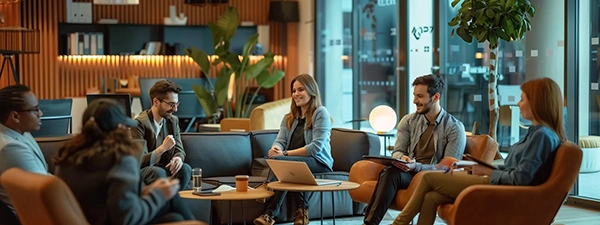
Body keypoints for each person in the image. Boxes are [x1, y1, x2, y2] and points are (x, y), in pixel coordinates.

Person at [392, 77, 565, 225]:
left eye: (522, 99)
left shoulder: (542, 136)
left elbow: (520, 179)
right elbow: (516, 170)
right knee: (431, 197)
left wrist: (488, 172)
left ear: (537, 102)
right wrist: (475, 166)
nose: (518, 104)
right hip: (499, 184)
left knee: (429, 177)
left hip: (504, 191)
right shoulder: (536, 133)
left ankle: (398, 224)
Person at [54, 99, 195, 225]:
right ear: (120, 128)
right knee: (171, 202)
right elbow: (127, 219)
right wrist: (158, 194)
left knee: (173, 219)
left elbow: (102, 200)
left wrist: (149, 191)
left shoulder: (65, 159)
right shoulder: (120, 161)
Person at [363, 74, 467, 225]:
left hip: (431, 176)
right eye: (414, 95)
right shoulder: (409, 121)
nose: (414, 101)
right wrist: (402, 158)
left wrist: (416, 166)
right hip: (408, 173)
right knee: (390, 171)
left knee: (391, 173)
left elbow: (448, 168)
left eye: (420, 96)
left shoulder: (454, 128)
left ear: (435, 97)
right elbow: (398, 150)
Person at [253, 74, 334, 225]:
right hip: (293, 160)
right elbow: (280, 141)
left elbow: (315, 148)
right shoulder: (289, 117)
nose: (296, 94)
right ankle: (302, 213)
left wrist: (283, 154)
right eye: (294, 90)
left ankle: (269, 208)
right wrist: (276, 149)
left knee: (286, 163)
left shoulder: (320, 113)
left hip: (318, 161)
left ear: (311, 91)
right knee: (289, 167)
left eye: (300, 90)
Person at [133, 80, 191, 191]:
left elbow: (180, 150)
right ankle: (171, 203)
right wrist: (162, 148)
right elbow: (139, 160)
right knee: (158, 172)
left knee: (185, 169)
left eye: (176, 104)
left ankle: (171, 201)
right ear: (156, 102)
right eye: (171, 104)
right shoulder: (140, 123)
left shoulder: (173, 121)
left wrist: (178, 159)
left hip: (165, 167)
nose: (175, 109)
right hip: (146, 169)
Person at [0, 84, 47, 220]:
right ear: (15, 116)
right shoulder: (10, 148)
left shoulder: (18, 131)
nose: (41, 114)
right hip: (32, 218)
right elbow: (43, 191)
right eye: (36, 110)